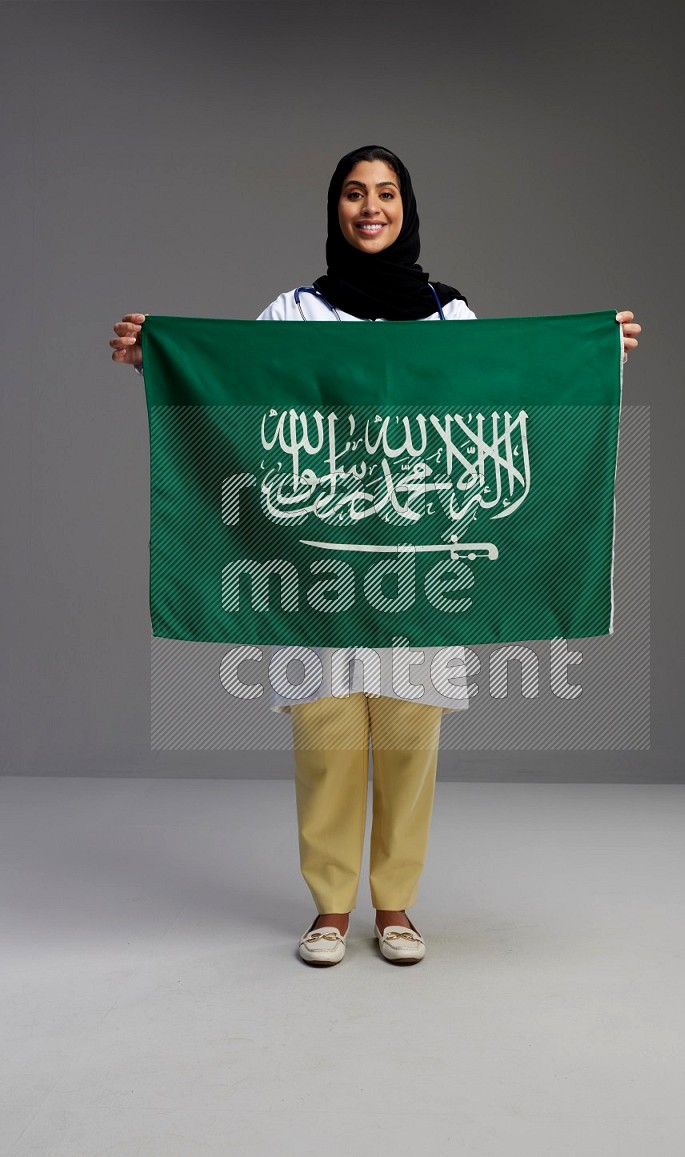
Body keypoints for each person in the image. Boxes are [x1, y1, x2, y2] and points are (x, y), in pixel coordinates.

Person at [110, 145, 642, 968]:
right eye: (355, 194)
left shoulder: (446, 315)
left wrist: (593, 357)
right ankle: (329, 907)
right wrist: (161, 357)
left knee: (407, 734)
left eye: (385, 193)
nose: (370, 207)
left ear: (406, 207)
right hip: (319, 557)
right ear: (335, 209)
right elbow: (236, 395)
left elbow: (499, 399)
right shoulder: (293, 313)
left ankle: (394, 903)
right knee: (325, 736)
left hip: (421, 560)